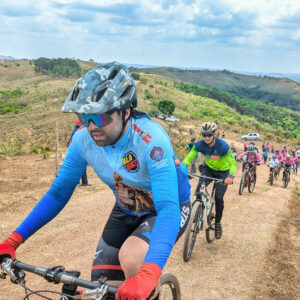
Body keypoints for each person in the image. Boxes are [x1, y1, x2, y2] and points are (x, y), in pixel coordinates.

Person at [0, 62, 191, 300]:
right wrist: (13, 240)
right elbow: (58, 193)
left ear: (125, 112)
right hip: (127, 207)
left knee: (133, 260)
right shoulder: (82, 140)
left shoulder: (152, 141)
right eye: (84, 116)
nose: (91, 126)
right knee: (98, 290)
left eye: (99, 117)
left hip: (167, 206)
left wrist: (150, 271)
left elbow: (168, 209)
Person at [182, 122, 236, 239]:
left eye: (209, 135)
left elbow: (232, 163)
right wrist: (182, 168)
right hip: (209, 169)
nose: (206, 137)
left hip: (223, 173)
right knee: (198, 191)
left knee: (218, 198)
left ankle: (217, 223)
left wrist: (230, 177)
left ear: (214, 134)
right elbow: (190, 157)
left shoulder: (223, 146)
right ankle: (196, 213)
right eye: (204, 135)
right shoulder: (199, 145)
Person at [67, 120, 90, 186]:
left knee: (82, 167)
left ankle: (84, 182)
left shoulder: (77, 132)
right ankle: (77, 182)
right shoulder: (75, 132)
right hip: (76, 151)